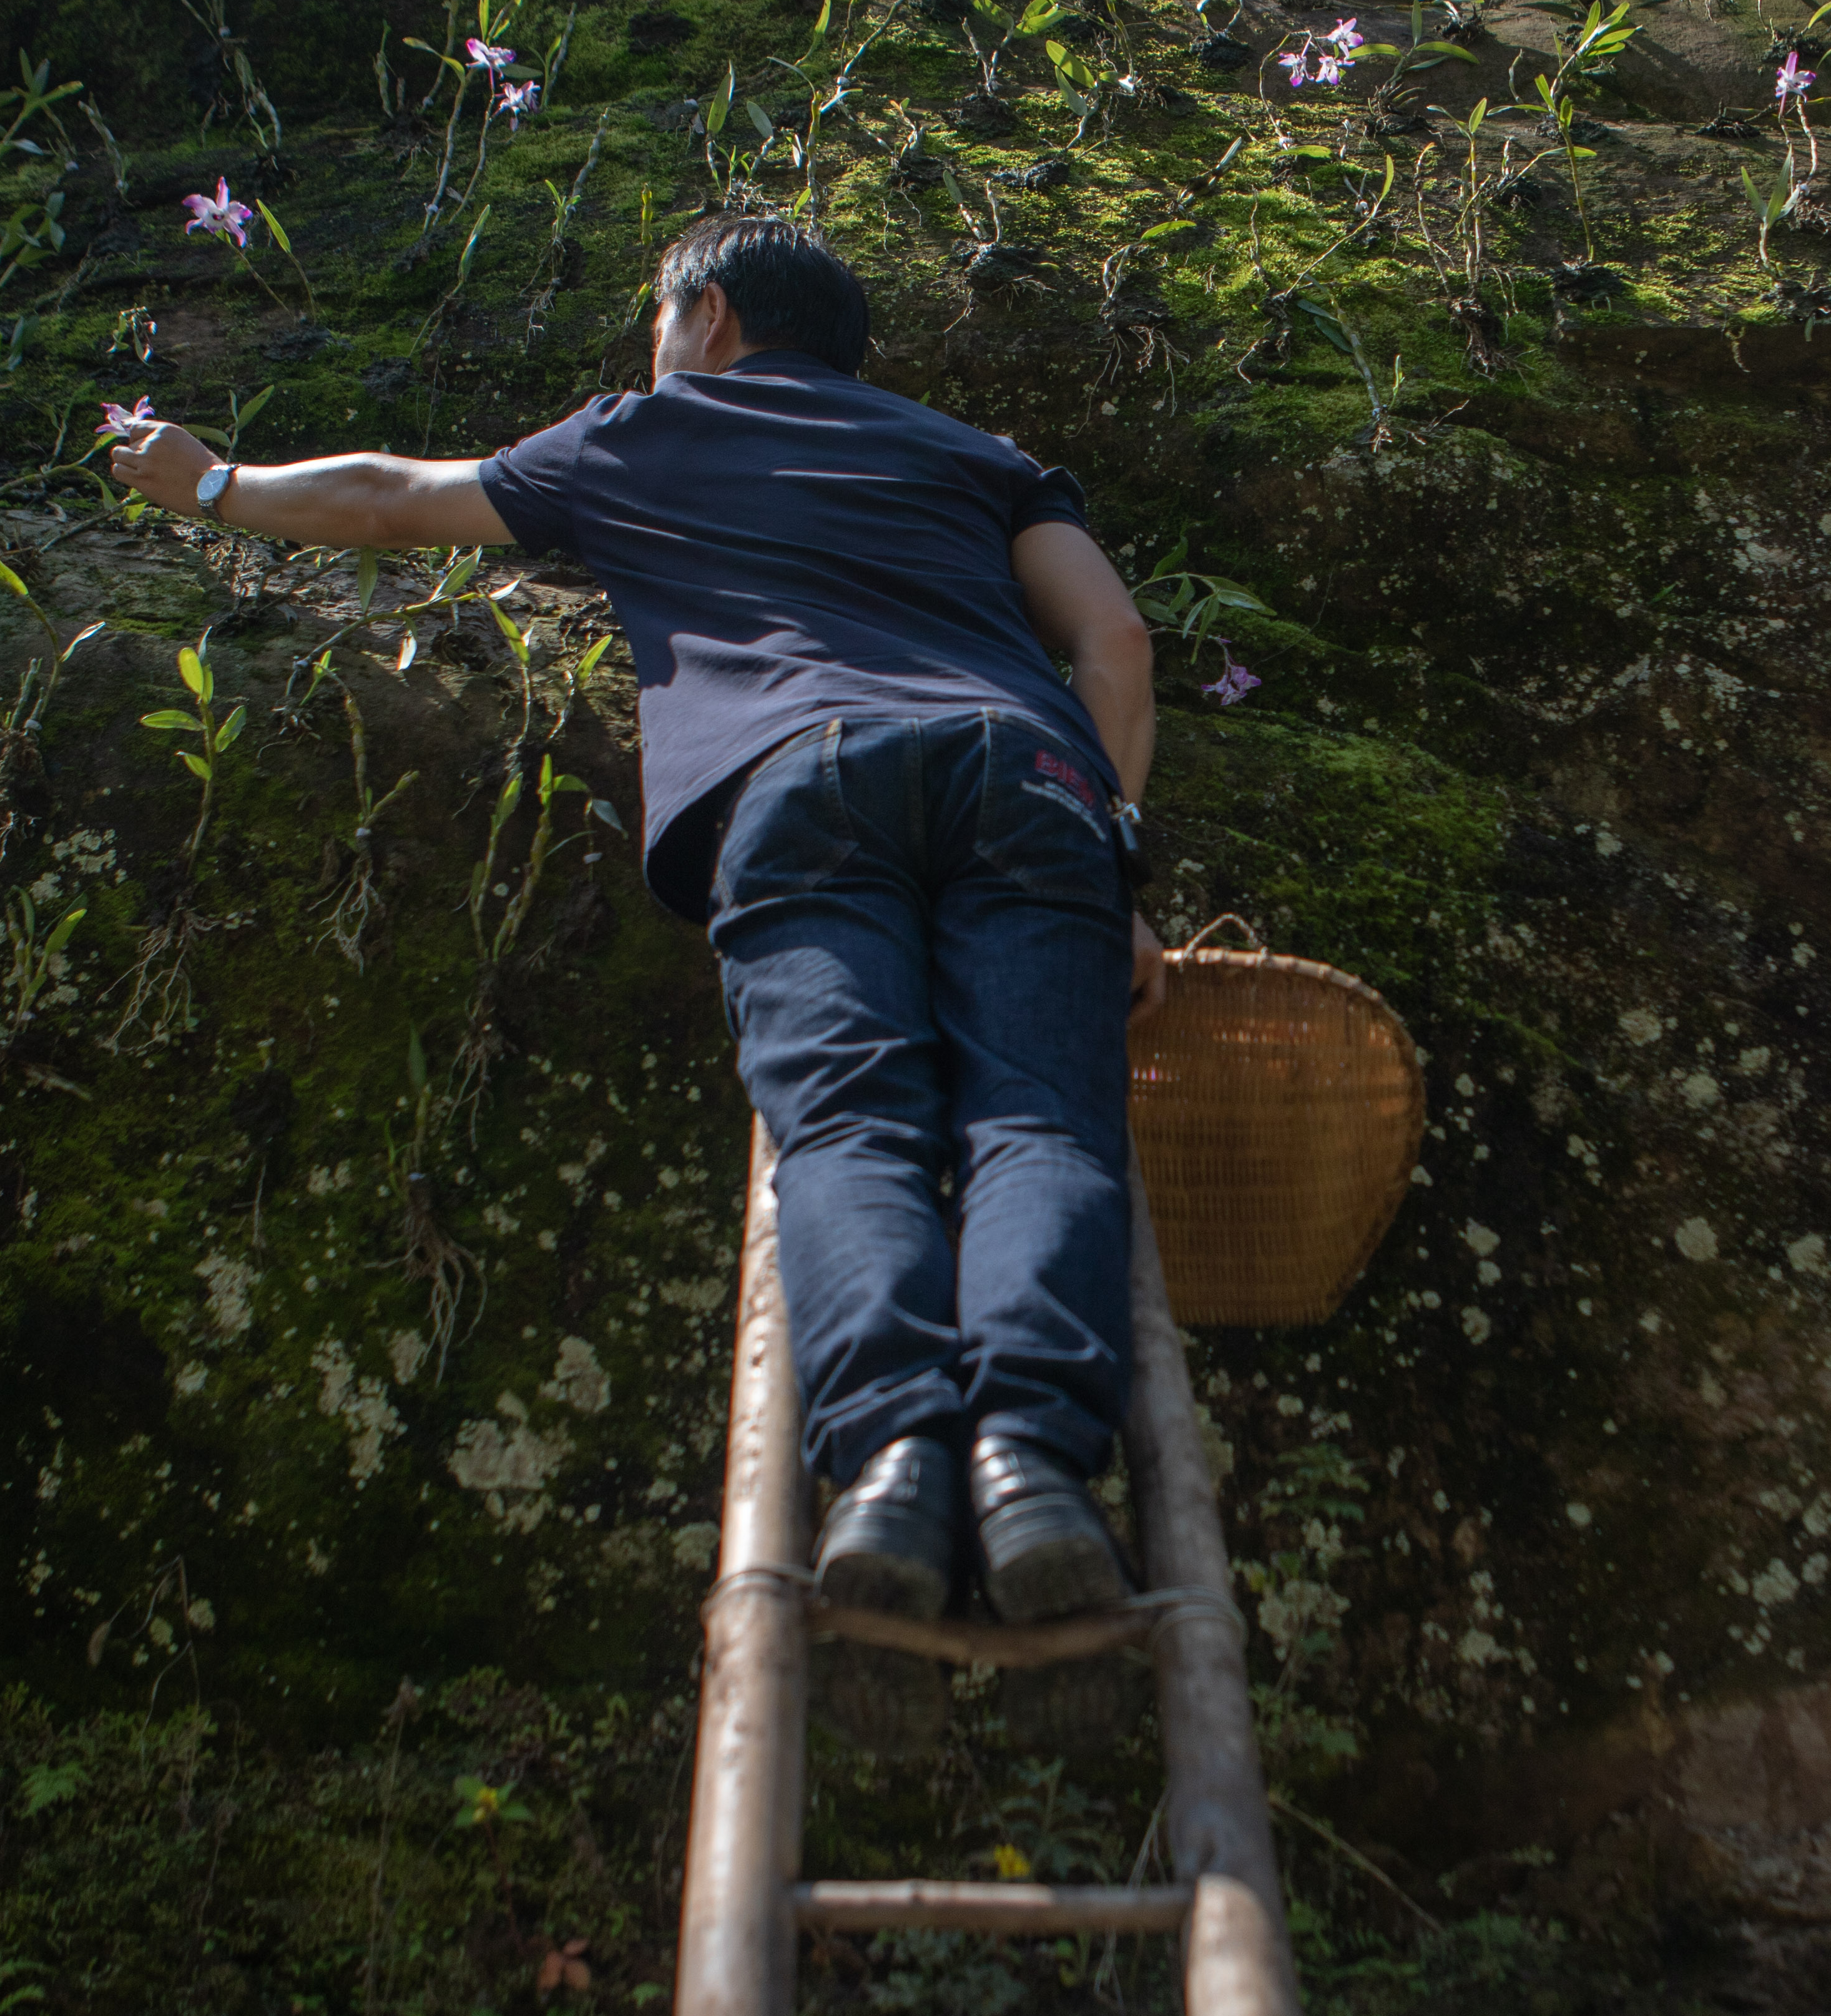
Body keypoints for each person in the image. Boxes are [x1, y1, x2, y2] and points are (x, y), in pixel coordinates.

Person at [109, 211, 1162, 1761]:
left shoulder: (642, 436)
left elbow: (399, 500)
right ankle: (1030, 1466)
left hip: (798, 781)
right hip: (1024, 775)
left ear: (709, 314)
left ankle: (890, 1466)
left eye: (656, 319)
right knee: (1038, 1124)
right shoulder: (978, 452)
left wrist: (205, 482)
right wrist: (1115, 848)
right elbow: (1115, 640)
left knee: (854, 1126)